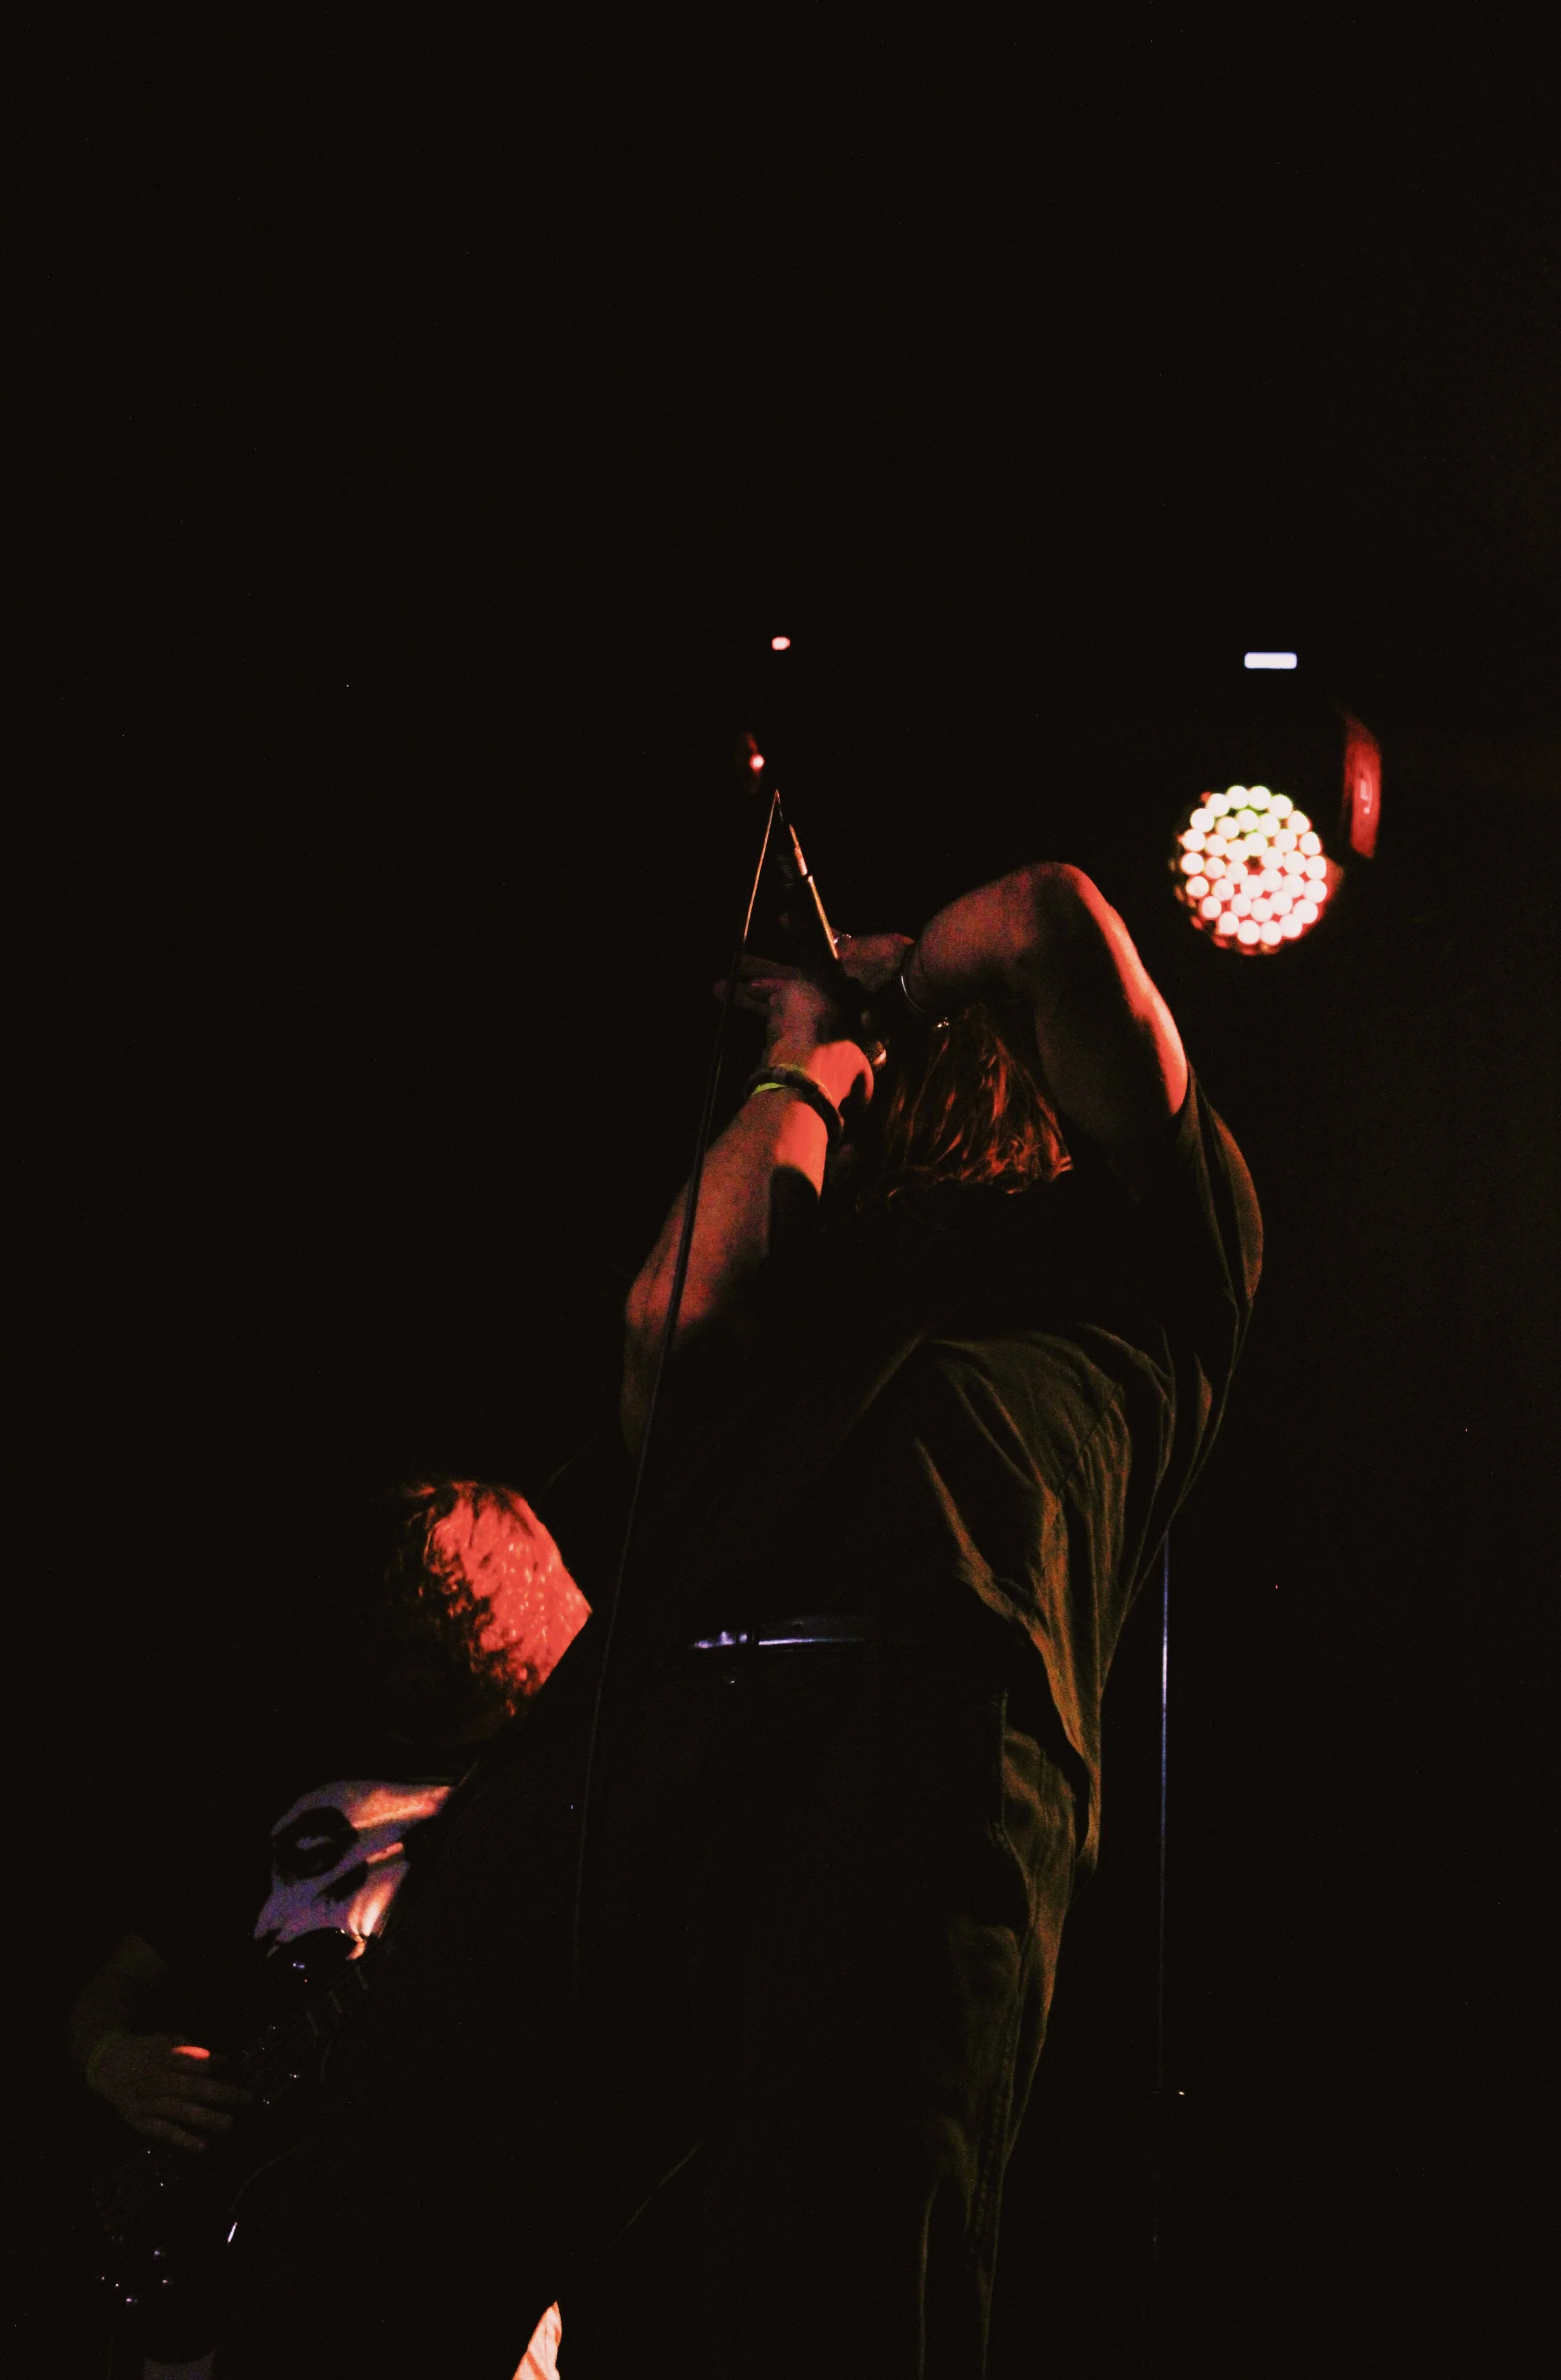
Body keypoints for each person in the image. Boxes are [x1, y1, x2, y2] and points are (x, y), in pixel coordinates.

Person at [225, 859, 1261, 2379]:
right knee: (363, 2257)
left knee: (823, 2287)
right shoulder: (793, 1307)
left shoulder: (1146, 1267)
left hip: (902, 1738)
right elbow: (670, 1321)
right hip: (626, 1742)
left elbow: (1047, 921)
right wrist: (810, 1056)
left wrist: (888, 1001)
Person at [68, 1478, 588, 2380]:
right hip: (232, 2292)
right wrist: (114, 2059)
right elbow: (116, 1982)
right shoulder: (284, 1800)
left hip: (447, 2287)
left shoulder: (565, 1823)